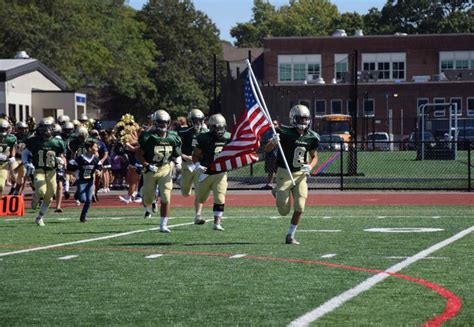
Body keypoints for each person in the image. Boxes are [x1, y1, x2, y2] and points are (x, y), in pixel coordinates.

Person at [265, 105, 319, 245]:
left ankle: (290, 235)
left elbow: (315, 157)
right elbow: (267, 149)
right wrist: (274, 142)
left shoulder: (312, 136)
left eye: (306, 119)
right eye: (300, 119)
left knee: (300, 206)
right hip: (284, 173)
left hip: (300, 174)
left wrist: (310, 167)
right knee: (283, 210)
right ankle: (277, 191)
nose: (304, 122)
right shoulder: (283, 132)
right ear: (293, 119)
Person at [136, 109, 182, 232]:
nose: (164, 125)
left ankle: (163, 225)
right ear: (156, 123)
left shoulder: (173, 137)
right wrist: (147, 164)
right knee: (148, 199)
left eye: (166, 123)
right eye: (161, 123)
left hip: (165, 168)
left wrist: (176, 163)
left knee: (166, 198)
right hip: (151, 169)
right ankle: (144, 192)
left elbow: (175, 154)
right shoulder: (148, 137)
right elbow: (139, 155)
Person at [23, 118, 66, 226]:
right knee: (41, 191)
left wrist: (61, 161)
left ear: (52, 129)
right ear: (40, 129)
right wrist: (27, 164)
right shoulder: (33, 140)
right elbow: (25, 153)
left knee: (50, 197)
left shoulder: (57, 142)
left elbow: (62, 156)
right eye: (44, 129)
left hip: (52, 171)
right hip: (39, 170)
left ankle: (39, 217)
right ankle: (36, 198)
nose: (47, 131)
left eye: (49, 128)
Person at [192, 113, 231, 231]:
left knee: (220, 198)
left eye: (221, 127)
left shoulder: (228, 137)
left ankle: (217, 223)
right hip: (205, 172)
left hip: (220, 173)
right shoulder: (203, 138)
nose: (219, 130)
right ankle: (198, 214)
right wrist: (197, 165)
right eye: (216, 127)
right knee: (201, 198)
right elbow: (195, 155)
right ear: (211, 127)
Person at [178, 109, 208, 224]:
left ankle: (198, 216)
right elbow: (174, 147)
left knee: (199, 192)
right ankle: (181, 181)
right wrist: (183, 155)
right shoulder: (183, 132)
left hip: (199, 165)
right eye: (194, 120)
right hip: (187, 165)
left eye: (199, 120)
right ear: (190, 121)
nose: (197, 122)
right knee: (185, 192)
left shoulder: (207, 132)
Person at [68, 140, 102, 222]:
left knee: (89, 200)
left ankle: (83, 216)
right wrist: (72, 174)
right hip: (82, 181)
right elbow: (71, 166)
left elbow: (99, 167)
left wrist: (99, 171)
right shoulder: (80, 158)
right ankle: (78, 194)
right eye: (95, 147)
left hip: (90, 181)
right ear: (90, 148)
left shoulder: (96, 159)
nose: (97, 148)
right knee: (83, 199)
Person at [0, 118, 17, 196]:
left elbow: (12, 147)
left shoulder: (11, 138)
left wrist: (12, 156)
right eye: (1, 129)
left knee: (1, 185)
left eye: (4, 129)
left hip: (3, 165)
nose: (3, 131)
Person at [261, 120, 279, 190]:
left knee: (279, 170)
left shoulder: (279, 132)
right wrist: (271, 140)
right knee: (270, 170)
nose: (274, 125)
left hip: (278, 154)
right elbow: (265, 140)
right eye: (273, 124)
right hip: (270, 154)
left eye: (275, 124)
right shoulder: (268, 132)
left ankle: (279, 184)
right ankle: (269, 184)